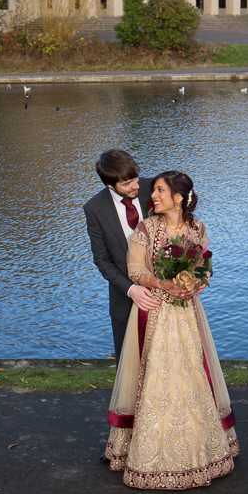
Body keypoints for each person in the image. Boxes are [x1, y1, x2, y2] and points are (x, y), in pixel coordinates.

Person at [104, 171, 239, 489]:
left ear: (179, 197)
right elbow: (135, 269)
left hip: (187, 312)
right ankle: (146, 456)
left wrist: (193, 285)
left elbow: (205, 267)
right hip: (153, 310)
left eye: (160, 191)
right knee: (156, 377)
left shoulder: (198, 228)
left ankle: (199, 452)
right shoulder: (145, 228)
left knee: (191, 373)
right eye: (153, 191)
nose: (153, 196)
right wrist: (161, 282)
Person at [83, 149, 160, 363]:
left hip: (167, 295)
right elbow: (102, 260)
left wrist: (202, 271)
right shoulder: (94, 209)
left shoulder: (155, 188)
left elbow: (186, 231)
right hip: (125, 299)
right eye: (127, 183)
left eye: (135, 178)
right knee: (131, 365)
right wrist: (131, 289)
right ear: (110, 185)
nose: (135, 185)